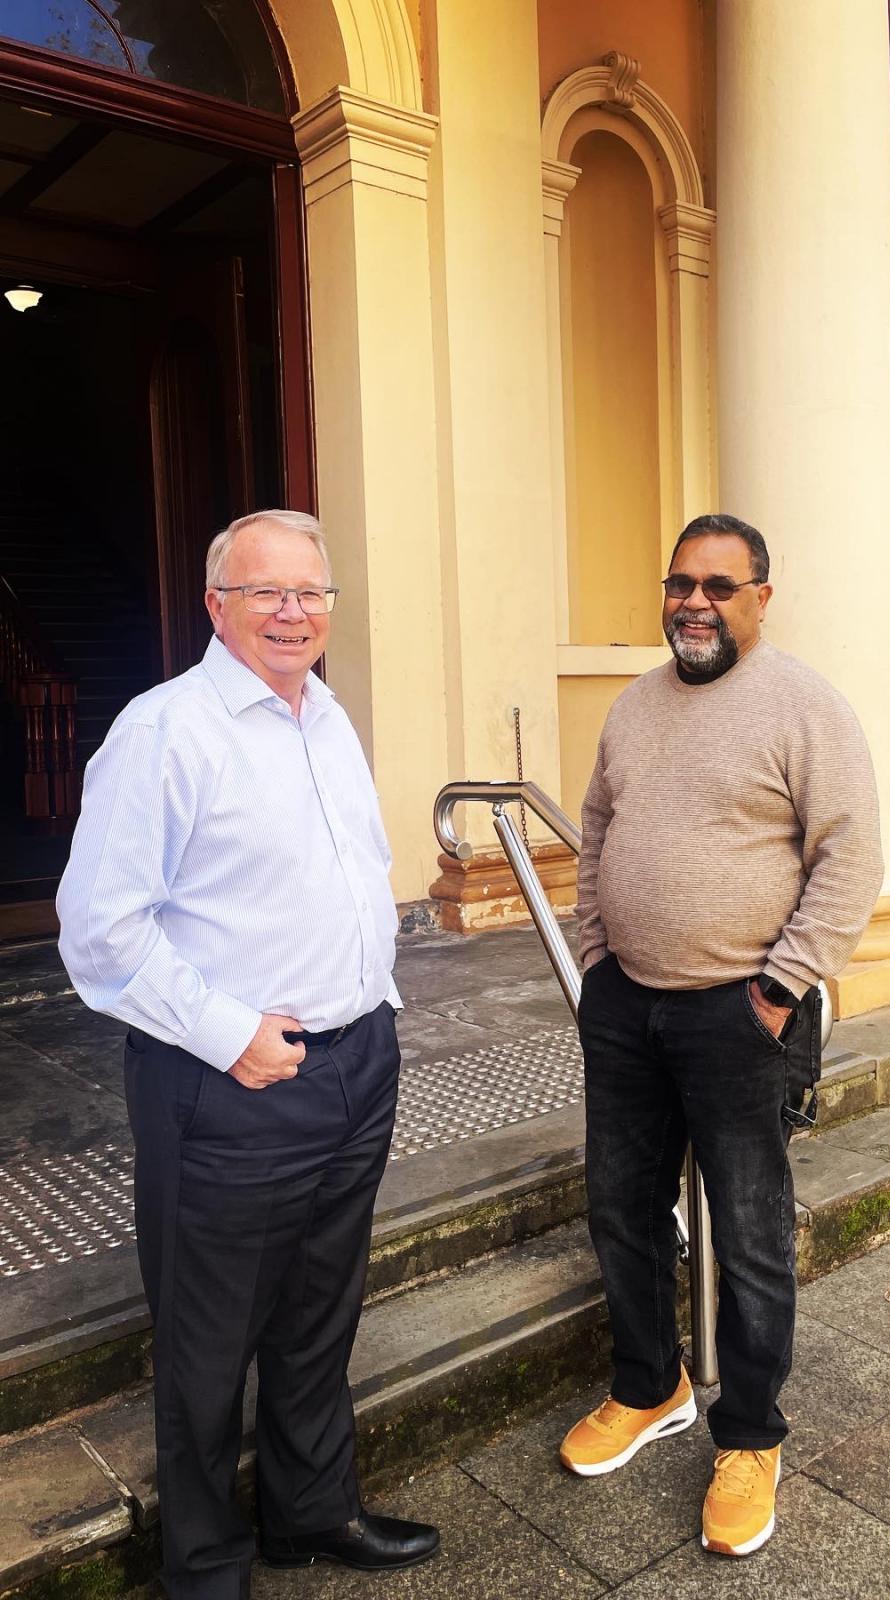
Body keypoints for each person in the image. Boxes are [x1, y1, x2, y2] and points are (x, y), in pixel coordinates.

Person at [56, 511, 438, 1600]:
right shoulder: (164, 730)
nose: (293, 612)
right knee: (208, 1340)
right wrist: (233, 1037)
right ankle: (207, 1569)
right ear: (216, 604)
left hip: (356, 1066)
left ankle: (310, 1514)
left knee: (319, 1314)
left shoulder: (325, 715)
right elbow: (100, 928)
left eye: (311, 592)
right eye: (266, 591)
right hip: (231, 1084)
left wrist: (376, 1007)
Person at [559, 513, 883, 1557]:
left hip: (740, 1010)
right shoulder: (632, 705)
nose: (692, 601)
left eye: (716, 584)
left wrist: (780, 989)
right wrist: (595, 953)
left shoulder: (803, 707)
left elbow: (849, 859)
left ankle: (748, 1435)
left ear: (758, 597)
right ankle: (649, 1388)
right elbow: (598, 825)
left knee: (746, 1229)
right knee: (620, 1204)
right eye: (677, 583)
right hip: (625, 1004)